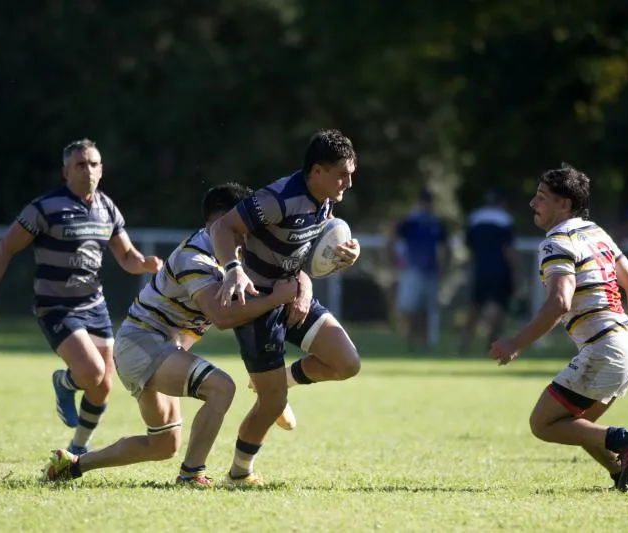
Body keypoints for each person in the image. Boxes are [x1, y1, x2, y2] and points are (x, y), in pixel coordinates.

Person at [41, 183, 302, 488]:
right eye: (243, 224)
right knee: (221, 388)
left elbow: (287, 274)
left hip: (160, 348)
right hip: (143, 343)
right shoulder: (197, 256)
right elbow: (222, 316)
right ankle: (191, 475)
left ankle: (71, 466)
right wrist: (275, 299)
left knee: (163, 445)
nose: (249, 231)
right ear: (219, 225)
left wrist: (301, 289)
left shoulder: (237, 257)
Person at [0, 139, 162, 455]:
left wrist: (146, 264)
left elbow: (126, 256)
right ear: (66, 171)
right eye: (80, 165)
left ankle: (78, 448)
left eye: (93, 164)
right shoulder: (44, 208)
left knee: (104, 385)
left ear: (102, 169)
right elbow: (5, 249)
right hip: (55, 305)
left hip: (94, 305)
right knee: (92, 373)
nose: (88, 170)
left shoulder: (107, 208)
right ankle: (64, 382)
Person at [488, 164, 628, 491]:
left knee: (543, 424)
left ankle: (626, 439)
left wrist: (516, 343)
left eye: (541, 197)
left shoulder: (556, 241)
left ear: (564, 205)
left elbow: (560, 302)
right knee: (575, 424)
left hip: (604, 346)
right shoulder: (597, 233)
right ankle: (622, 474)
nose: (533, 204)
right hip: (625, 345)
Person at [210, 129, 362, 486]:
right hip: (258, 303)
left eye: (351, 173)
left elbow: (305, 247)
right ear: (316, 171)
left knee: (347, 362)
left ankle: (282, 382)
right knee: (272, 404)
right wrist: (233, 271)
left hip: (293, 295)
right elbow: (223, 228)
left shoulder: (325, 199)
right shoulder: (278, 198)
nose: (348, 182)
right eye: (342, 173)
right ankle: (239, 473)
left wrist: (346, 256)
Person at [387, 188, 448, 351]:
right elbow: (392, 238)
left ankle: (423, 342)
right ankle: (410, 341)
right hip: (412, 271)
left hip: (430, 271)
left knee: (426, 310)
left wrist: (442, 268)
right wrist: (394, 261)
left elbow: (444, 248)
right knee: (410, 308)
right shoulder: (411, 222)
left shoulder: (434, 223)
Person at [458, 189, 517, 353]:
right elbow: (508, 249)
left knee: (475, 305)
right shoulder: (504, 219)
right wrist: (515, 271)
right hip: (499, 269)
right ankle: (491, 340)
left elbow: (469, 246)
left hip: (479, 268)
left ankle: (464, 340)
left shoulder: (475, 218)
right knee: (498, 305)